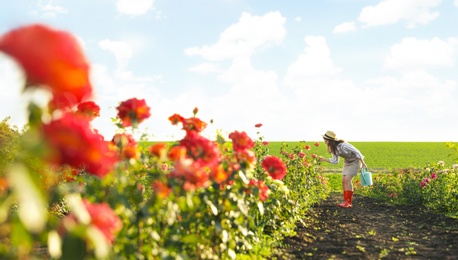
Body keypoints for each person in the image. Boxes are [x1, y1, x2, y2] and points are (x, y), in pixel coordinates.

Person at [319, 130, 366, 208]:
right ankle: (345, 201)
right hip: (347, 162)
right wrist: (324, 159)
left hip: (355, 161)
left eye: (326, 141)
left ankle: (349, 202)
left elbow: (357, 152)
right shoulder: (333, 148)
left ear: (331, 141)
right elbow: (335, 161)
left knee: (347, 180)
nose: (325, 142)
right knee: (343, 180)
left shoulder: (344, 145)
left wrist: (363, 163)